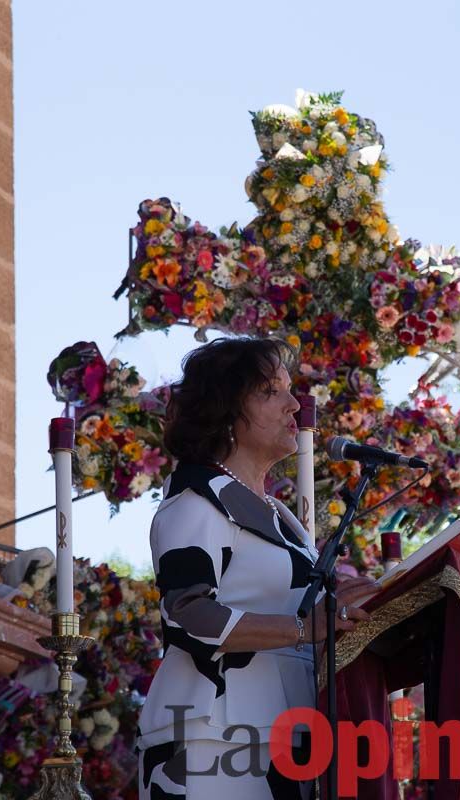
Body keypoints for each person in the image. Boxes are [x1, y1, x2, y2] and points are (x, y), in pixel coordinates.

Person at [136, 337, 377, 800]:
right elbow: (188, 614)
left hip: (283, 732)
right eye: (270, 391)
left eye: (290, 389)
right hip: (209, 737)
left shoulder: (281, 517)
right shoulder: (193, 504)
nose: (294, 405)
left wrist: (347, 608)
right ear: (224, 411)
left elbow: (303, 615)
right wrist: (307, 627)